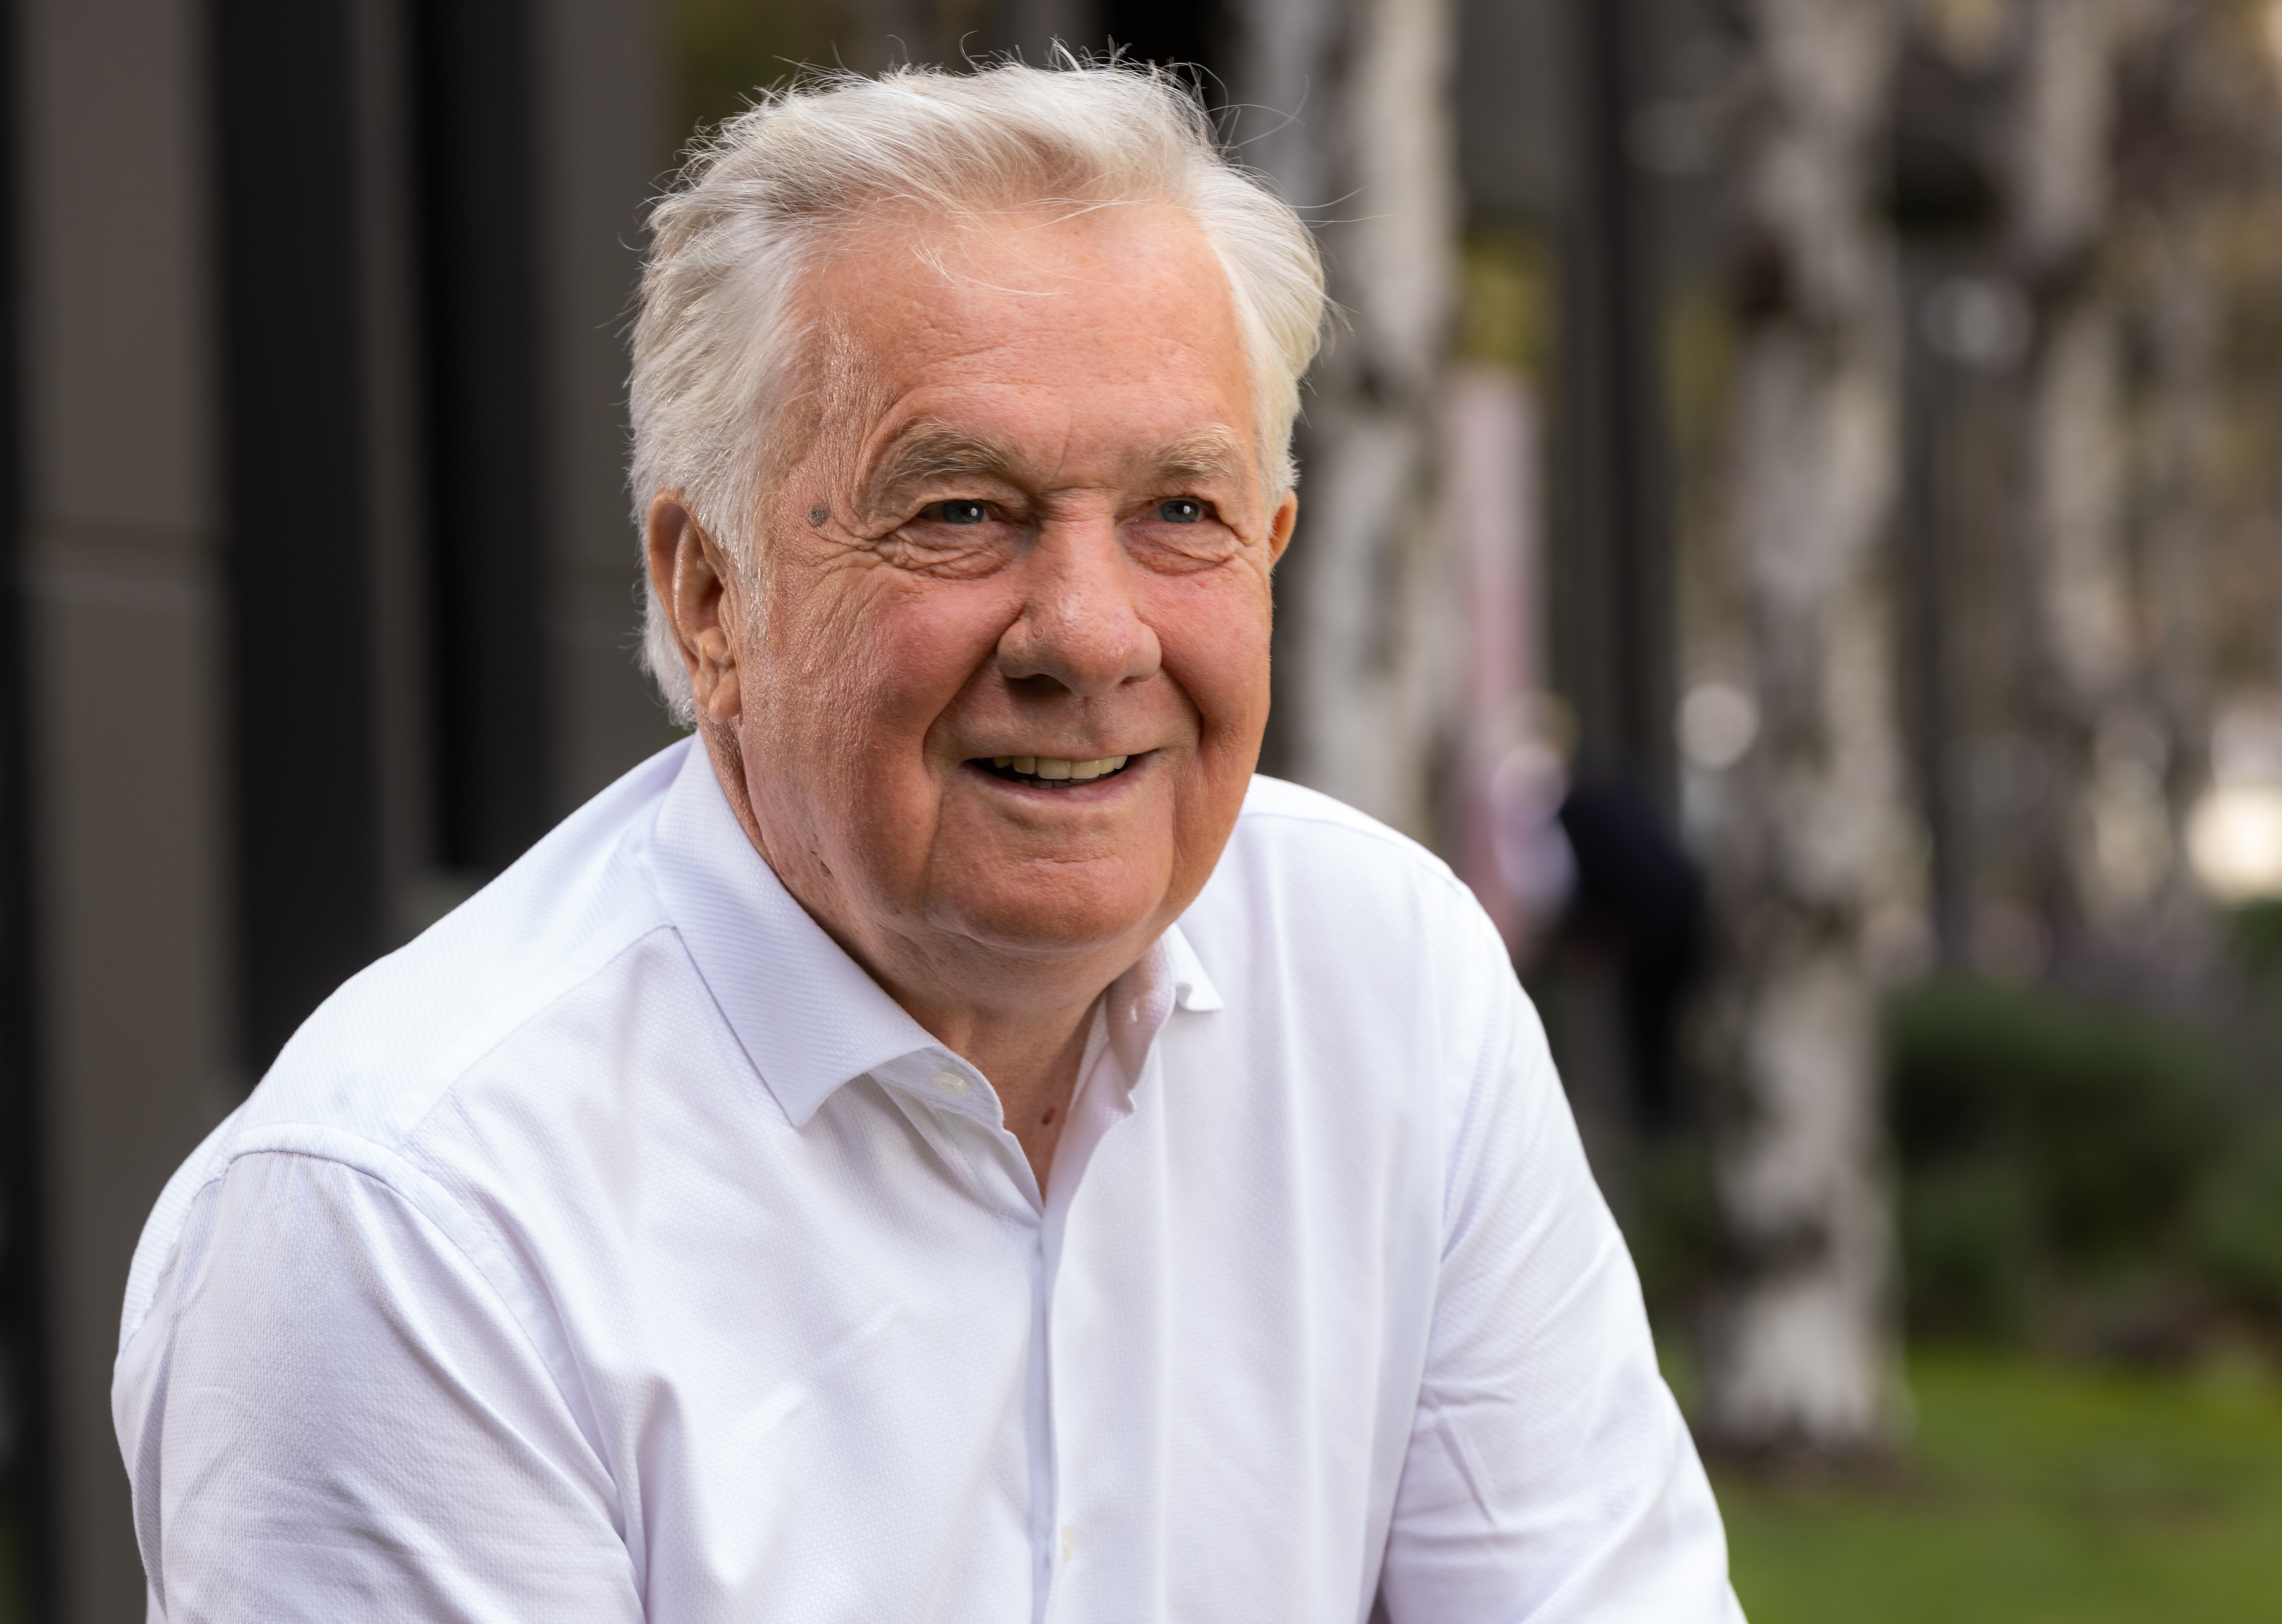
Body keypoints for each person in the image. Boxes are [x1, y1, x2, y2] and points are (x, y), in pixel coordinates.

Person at [112, 61, 1741, 1622]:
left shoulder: (1390, 984)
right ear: (711, 594)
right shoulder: (412, 1218)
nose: (1091, 636)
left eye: (1181, 511)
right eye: (961, 508)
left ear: (1274, 554)